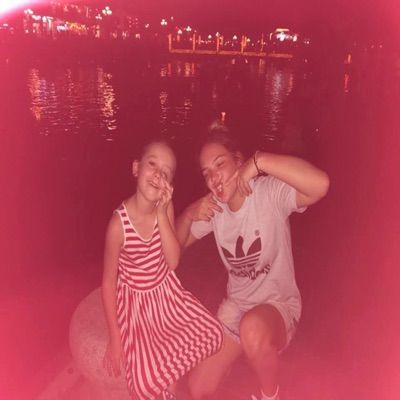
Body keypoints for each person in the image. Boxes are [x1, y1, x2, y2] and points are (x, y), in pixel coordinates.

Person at [176, 124, 330, 400]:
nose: (213, 178)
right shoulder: (215, 208)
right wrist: (188, 214)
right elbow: (173, 250)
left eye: (219, 164)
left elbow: (320, 185)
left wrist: (259, 162)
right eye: (206, 172)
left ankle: (271, 396)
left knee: (253, 331)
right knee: (198, 389)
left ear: (239, 161)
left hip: (278, 306)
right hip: (237, 309)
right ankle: (240, 357)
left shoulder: (266, 194)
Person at [101, 138, 224, 400]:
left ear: (170, 184)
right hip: (136, 303)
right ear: (136, 168)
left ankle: (167, 387)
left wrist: (162, 213)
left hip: (167, 294)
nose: (158, 174)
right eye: (152, 164)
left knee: (214, 335)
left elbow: (173, 261)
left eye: (166, 172)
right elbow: (109, 282)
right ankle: (164, 389)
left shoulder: (165, 208)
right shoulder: (118, 225)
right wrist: (114, 337)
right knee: (142, 385)